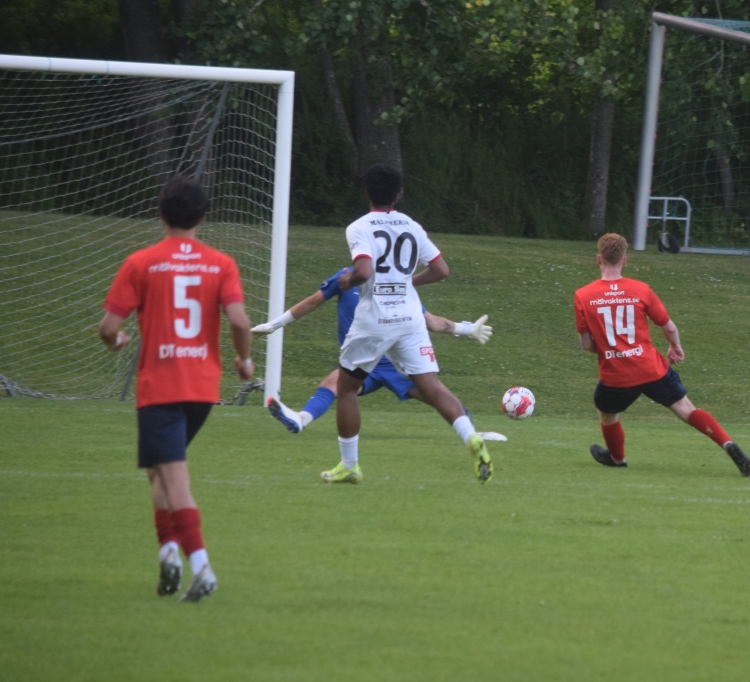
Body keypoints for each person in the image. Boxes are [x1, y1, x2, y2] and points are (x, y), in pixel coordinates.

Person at [98, 176, 254, 602]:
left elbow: (108, 327)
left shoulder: (142, 262)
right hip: (202, 389)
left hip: (162, 386)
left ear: (161, 213)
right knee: (158, 470)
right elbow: (240, 321)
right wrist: (244, 361)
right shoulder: (220, 263)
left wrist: (117, 341)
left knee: (174, 477)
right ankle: (168, 554)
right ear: (202, 216)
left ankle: (201, 567)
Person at [319, 163, 492, 484]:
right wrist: (407, 281)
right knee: (432, 386)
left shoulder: (359, 227)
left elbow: (363, 272)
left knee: (346, 388)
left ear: (367, 193)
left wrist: (347, 280)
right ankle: (470, 436)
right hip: (411, 319)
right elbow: (441, 270)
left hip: (375, 320)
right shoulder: (412, 225)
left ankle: (350, 465)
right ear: (398, 195)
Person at [574, 233, 750, 477]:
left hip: (616, 376)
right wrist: (675, 346)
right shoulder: (641, 289)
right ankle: (727, 443)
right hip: (651, 368)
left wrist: (612, 350)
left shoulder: (583, 295)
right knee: (686, 409)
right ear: (625, 260)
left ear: (599, 259)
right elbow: (668, 327)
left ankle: (617, 458)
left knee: (607, 414)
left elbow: (586, 344)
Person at [252, 267, 492, 434]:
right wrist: (274, 325)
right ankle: (300, 420)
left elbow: (431, 321)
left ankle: (473, 434)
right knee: (332, 384)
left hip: (394, 364)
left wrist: (467, 329)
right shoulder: (346, 278)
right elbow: (312, 302)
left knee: (437, 393)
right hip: (362, 359)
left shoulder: (398, 286)